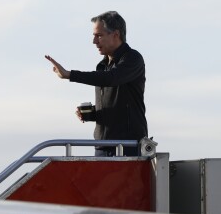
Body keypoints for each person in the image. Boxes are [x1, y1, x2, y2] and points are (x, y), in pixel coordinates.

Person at [45, 11, 147, 156]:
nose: (94, 41)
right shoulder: (102, 65)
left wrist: (69, 74)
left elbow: (111, 78)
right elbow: (117, 101)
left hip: (127, 147)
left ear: (115, 35)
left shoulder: (133, 59)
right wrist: (94, 113)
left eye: (99, 35)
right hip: (102, 146)